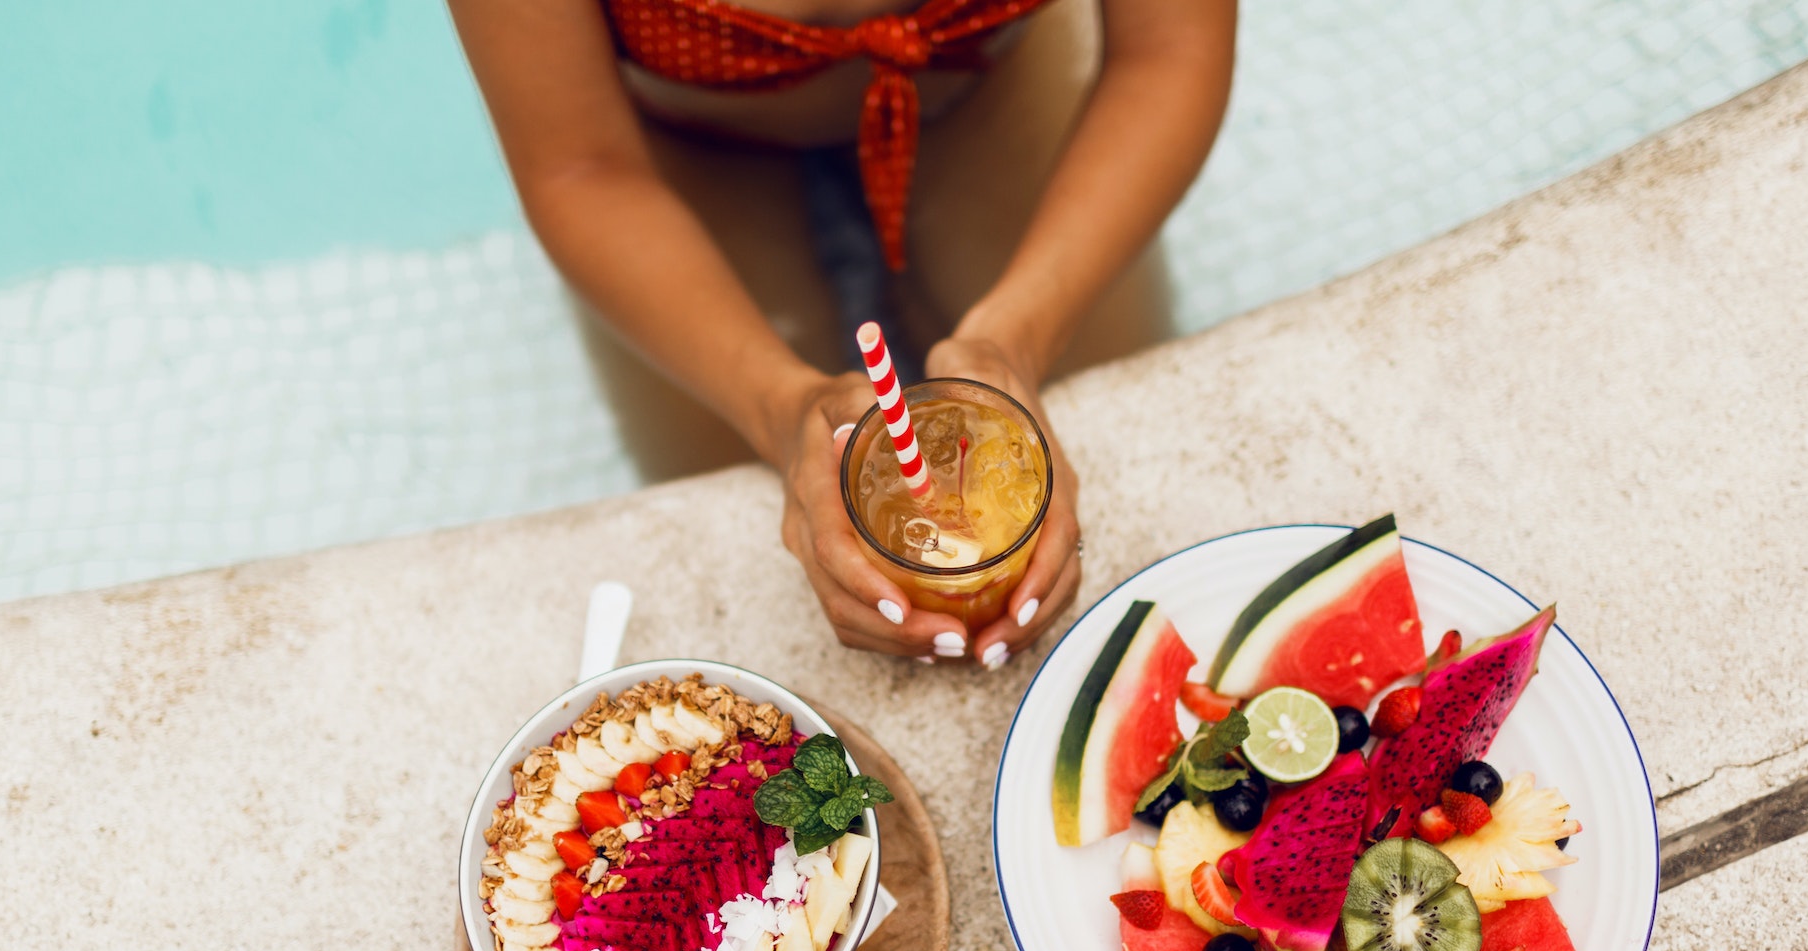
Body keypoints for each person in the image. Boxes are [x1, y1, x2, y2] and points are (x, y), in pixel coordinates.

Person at [449, 0, 1235, 665]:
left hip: (985, 89)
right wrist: (774, 406)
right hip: (689, 147)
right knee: (731, 520)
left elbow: (1165, 54)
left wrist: (1018, 337)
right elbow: (580, 168)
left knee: (1100, 421)